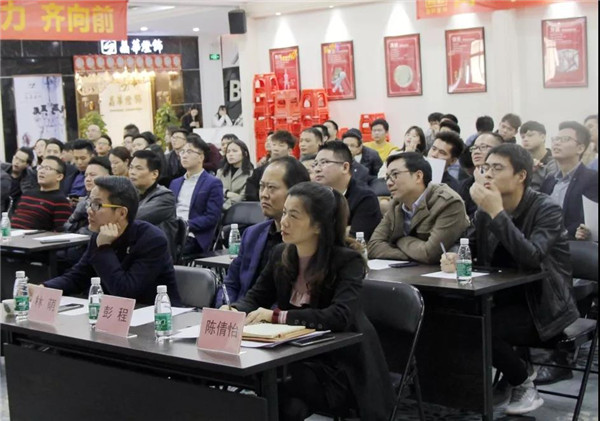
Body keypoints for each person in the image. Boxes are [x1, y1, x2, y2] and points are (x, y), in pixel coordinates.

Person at [223, 182, 394, 420]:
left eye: (294, 216)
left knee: (280, 388)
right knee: (269, 384)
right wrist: (233, 310)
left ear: (318, 225)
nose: (284, 222)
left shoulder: (347, 261)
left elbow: (339, 316)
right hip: (295, 357)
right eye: (284, 213)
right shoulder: (281, 254)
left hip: (339, 365)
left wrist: (276, 316)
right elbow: (256, 297)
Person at [440, 144, 578, 415]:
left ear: (521, 175)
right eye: (485, 168)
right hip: (501, 297)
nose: (488, 174)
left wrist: (497, 213)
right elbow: (470, 244)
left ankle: (523, 381)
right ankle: (461, 389)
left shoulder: (545, 209)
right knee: (448, 316)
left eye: (497, 168)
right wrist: (456, 255)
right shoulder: (484, 210)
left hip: (544, 304)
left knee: (480, 328)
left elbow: (532, 258)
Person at [41, 176, 181, 305]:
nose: (89, 210)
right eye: (89, 203)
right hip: (113, 315)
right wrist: (43, 288)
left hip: (154, 317)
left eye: (97, 205)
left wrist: (103, 249)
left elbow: (125, 292)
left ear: (121, 213)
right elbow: (77, 277)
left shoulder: (152, 239)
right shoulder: (99, 235)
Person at [215, 157, 311, 306]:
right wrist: (227, 308)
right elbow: (231, 283)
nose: (264, 194)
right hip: (243, 312)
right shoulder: (252, 234)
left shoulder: (305, 242)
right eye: (262, 187)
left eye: (272, 188)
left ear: (296, 191)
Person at [368, 152, 468, 263]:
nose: (389, 183)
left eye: (395, 175)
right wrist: (413, 255)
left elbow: (430, 254)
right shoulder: (396, 204)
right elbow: (373, 246)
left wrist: (400, 240)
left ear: (418, 176)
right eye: (387, 177)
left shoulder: (448, 203)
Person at [540, 121, 598, 240]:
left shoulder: (592, 178)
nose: (557, 143)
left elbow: (586, 219)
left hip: (572, 246)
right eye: (555, 139)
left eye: (564, 139)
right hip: (544, 244)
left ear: (580, 148)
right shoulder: (549, 180)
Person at [313, 142, 382, 240]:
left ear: (345, 167)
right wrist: (343, 231)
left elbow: (357, 238)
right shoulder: (314, 195)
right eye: (315, 164)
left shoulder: (365, 197)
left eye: (324, 162)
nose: (317, 169)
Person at [170, 135, 223, 255]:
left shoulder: (212, 183)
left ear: (201, 157)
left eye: (189, 151)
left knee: (166, 251)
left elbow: (211, 217)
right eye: (182, 151)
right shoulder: (175, 183)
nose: (184, 155)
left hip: (194, 235)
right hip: (172, 232)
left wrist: (184, 225)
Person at [129, 150, 178, 259]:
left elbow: (134, 218)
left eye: (138, 168)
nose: (132, 172)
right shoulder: (131, 193)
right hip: (133, 249)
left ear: (154, 174)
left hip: (155, 255)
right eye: (131, 167)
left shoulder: (165, 196)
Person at [11, 156, 71, 231]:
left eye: (47, 168)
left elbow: (60, 232)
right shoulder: (27, 194)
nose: (42, 171)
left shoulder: (60, 201)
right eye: (41, 167)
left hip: (33, 240)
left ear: (59, 176)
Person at [459, 132, 504, 218]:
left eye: (483, 147)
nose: (476, 151)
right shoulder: (465, 185)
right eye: (474, 148)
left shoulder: (504, 183)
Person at [245, 130, 296, 201]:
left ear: (289, 150)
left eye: (281, 145)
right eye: (274, 145)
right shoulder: (260, 169)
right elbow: (250, 189)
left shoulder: (295, 168)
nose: (276, 148)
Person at [519, 121, 558, 191]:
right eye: (522, 137)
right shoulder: (521, 163)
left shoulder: (555, 162)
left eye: (530, 135)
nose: (525, 139)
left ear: (542, 137)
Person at [216, 138, 254, 210]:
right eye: (228, 151)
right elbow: (214, 191)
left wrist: (223, 204)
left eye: (234, 151)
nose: (230, 154)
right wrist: (227, 193)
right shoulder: (220, 172)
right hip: (218, 210)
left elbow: (242, 197)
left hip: (239, 211)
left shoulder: (251, 174)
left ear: (245, 153)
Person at [1, 147, 36, 211]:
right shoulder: (2, 169)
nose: (17, 162)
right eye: (16, 158)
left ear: (27, 164)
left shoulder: (31, 178)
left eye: (21, 161)